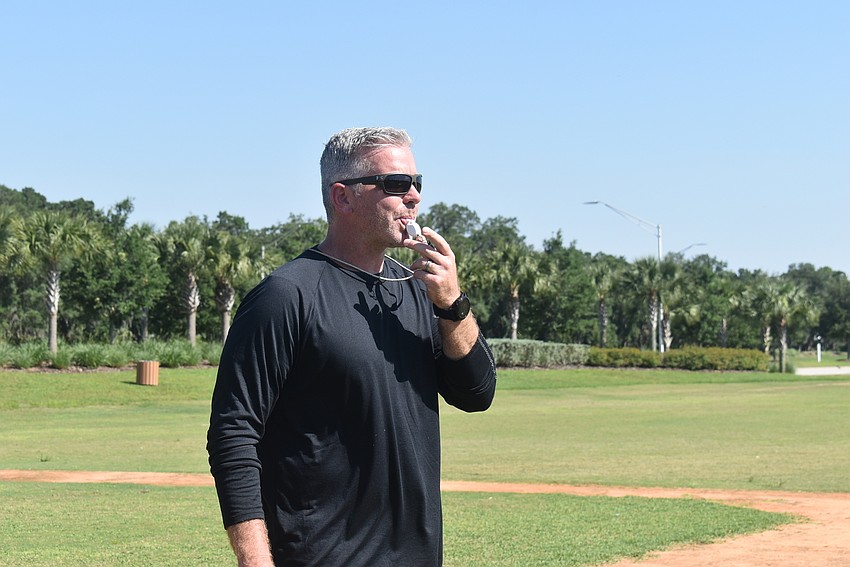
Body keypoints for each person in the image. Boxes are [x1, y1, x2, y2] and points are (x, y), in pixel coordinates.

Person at [207, 126, 497, 566]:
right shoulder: (286, 296)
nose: (414, 196)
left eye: (417, 182)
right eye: (396, 183)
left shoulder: (417, 290)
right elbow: (233, 433)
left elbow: (477, 394)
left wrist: (452, 304)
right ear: (342, 197)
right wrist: (255, 559)